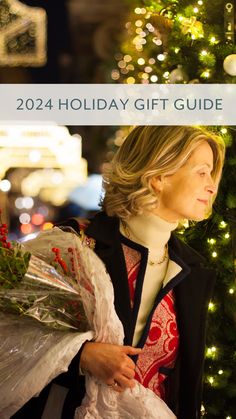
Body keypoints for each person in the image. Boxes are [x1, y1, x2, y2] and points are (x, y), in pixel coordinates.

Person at [12, 125, 225, 419]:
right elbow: (13, 334)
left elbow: (184, 391)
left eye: (212, 173)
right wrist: (82, 357)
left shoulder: (194, 272)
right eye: (202, 172)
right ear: (158, 176)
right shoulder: (75, 245)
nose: (212, 185)